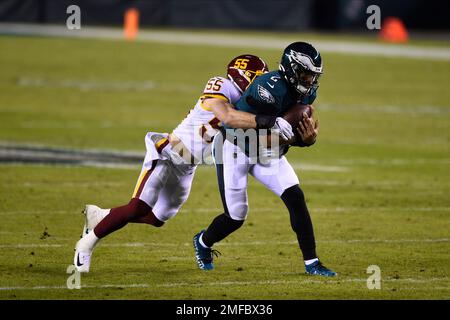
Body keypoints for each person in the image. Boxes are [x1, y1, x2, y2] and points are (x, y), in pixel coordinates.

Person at [73, 54, 295, 273]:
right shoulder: (222, 85)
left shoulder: (250, 103)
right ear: (241, 76)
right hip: (170, 152)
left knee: (158, 217)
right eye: (257, 78)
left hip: (189, 165)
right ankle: (86, 244)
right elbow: (226, 116)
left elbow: (257, 136)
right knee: (139, 206)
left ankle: (100, 216)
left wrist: (294, 136)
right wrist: (266, 121)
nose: (260, 85)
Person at [193, 42, 336, 277]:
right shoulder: (267, 89)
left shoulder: (308, 92)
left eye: (313, 75)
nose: (310, 80)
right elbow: (232, 124)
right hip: (235, 146)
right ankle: (203, 242)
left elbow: (289, 133)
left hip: (267, 151)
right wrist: (272, 125)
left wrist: (305, 140)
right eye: (305, 74)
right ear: (290, 68)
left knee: (295, 198)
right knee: (236, 217)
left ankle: (312, 262)